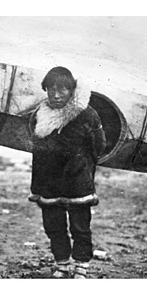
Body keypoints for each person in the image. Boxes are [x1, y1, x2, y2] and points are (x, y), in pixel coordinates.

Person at [28, 66, 106, 279]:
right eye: (51, 88)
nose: (56, 94)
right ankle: (61, 264)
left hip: (77, 183)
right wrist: (38, 185)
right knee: (54, 227)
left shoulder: (87, 114)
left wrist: (80, 166)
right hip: (49, 183)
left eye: (62, 89)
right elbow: (37, 151)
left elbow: (99, 146)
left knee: (80, 228)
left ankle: (81, 267)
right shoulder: (40, 115)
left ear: (72, 90)